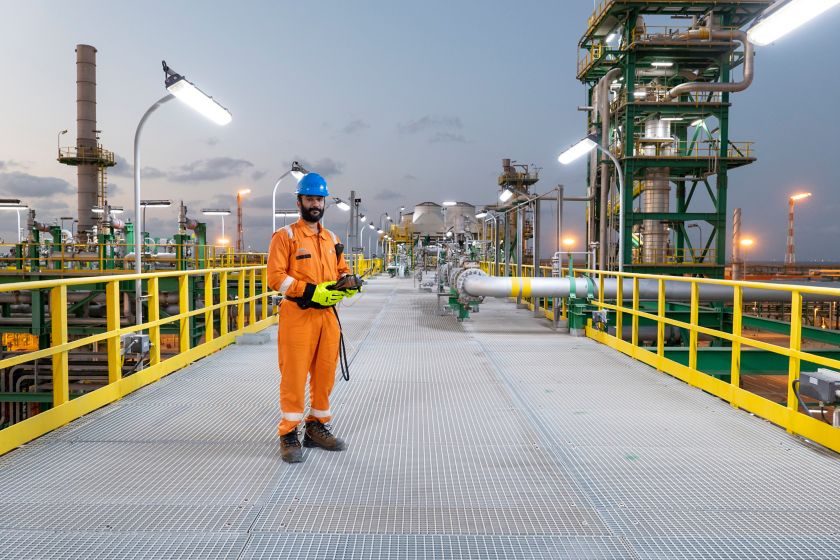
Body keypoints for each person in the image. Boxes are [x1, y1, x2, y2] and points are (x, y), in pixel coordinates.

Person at [266, 172, 357, 463]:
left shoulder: (331, 238)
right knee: (294, 375)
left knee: (324, 374)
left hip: (328, 317)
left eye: (319, 199)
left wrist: (348, 284)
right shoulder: (286, 237)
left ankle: (316, 427)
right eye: (310, 198)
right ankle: (288, 433)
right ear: (299, 201)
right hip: (298, 315)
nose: (315, 203)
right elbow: (275, 277)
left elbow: (341, 270)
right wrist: (309, 292)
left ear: (324, 202)